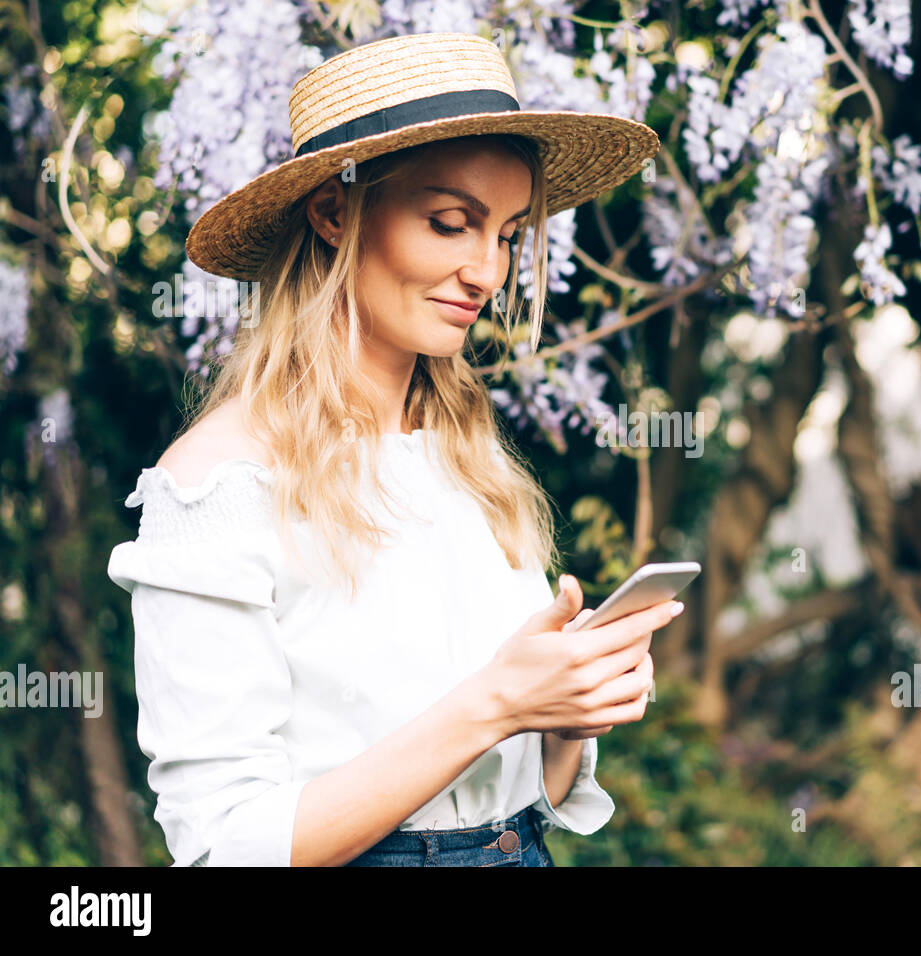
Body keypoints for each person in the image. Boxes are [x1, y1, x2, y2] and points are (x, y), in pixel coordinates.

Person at [106, 32, 677, 867]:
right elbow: (223, 845)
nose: (486, 270)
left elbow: (522, 801)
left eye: (509, 235)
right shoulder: (217, 485)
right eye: (451, 223)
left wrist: (560, 713)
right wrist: (496, 701)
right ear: (335, 213)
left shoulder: (468, 462)